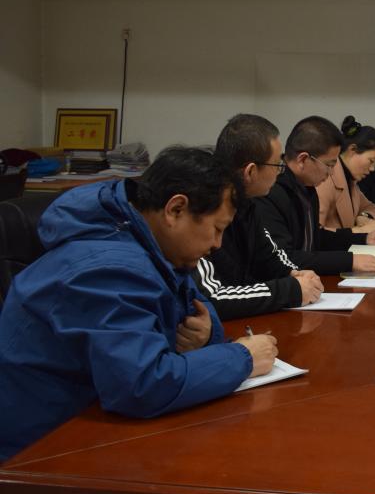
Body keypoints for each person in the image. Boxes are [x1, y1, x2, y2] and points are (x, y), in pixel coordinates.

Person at [0, 147, 277, 461]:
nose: (217, 244)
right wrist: (242, 358)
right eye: (217, 229)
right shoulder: (107, 269)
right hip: (38, 449)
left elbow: (197, 302)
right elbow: (142, 385)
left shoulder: (151, 241)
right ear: (176, 209)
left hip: (94, 419)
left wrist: (206, 332)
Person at [195, 114, 326, 319]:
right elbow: (212, 298)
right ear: (251, 171)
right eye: (277, 165)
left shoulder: (247, 203)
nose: (280, 172)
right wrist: (291, 289)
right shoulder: (202, 205)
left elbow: (269, 254)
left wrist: (294, 274)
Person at [256, 116, 375, 275]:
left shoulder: (307, 188)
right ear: (303, 159)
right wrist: (350, 261)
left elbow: (316, 239)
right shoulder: (270, 193)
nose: (331, 172)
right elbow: (284, 257)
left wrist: (364, 239)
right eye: (329, 165)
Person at [317, 116, 375, 231]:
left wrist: (364, 216)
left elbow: (371, 207)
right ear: (352, 150)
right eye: (371, 161)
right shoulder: (326, 179)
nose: (372, 168)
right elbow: (315, 232)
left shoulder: (350, 180)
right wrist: (359, 231)